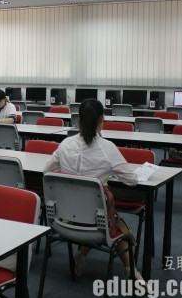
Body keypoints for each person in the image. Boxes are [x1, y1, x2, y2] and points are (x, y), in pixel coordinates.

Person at [43, 98, 144, 282]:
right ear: (101, 120)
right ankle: (133, 271)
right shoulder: (107, 148)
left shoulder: (65, 144)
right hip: (96, 224)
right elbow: (132, 181)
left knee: (94, 210)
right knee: (119, 229)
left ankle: (81, 256)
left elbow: (47, 171)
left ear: (79, 120)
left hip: (63, 221)